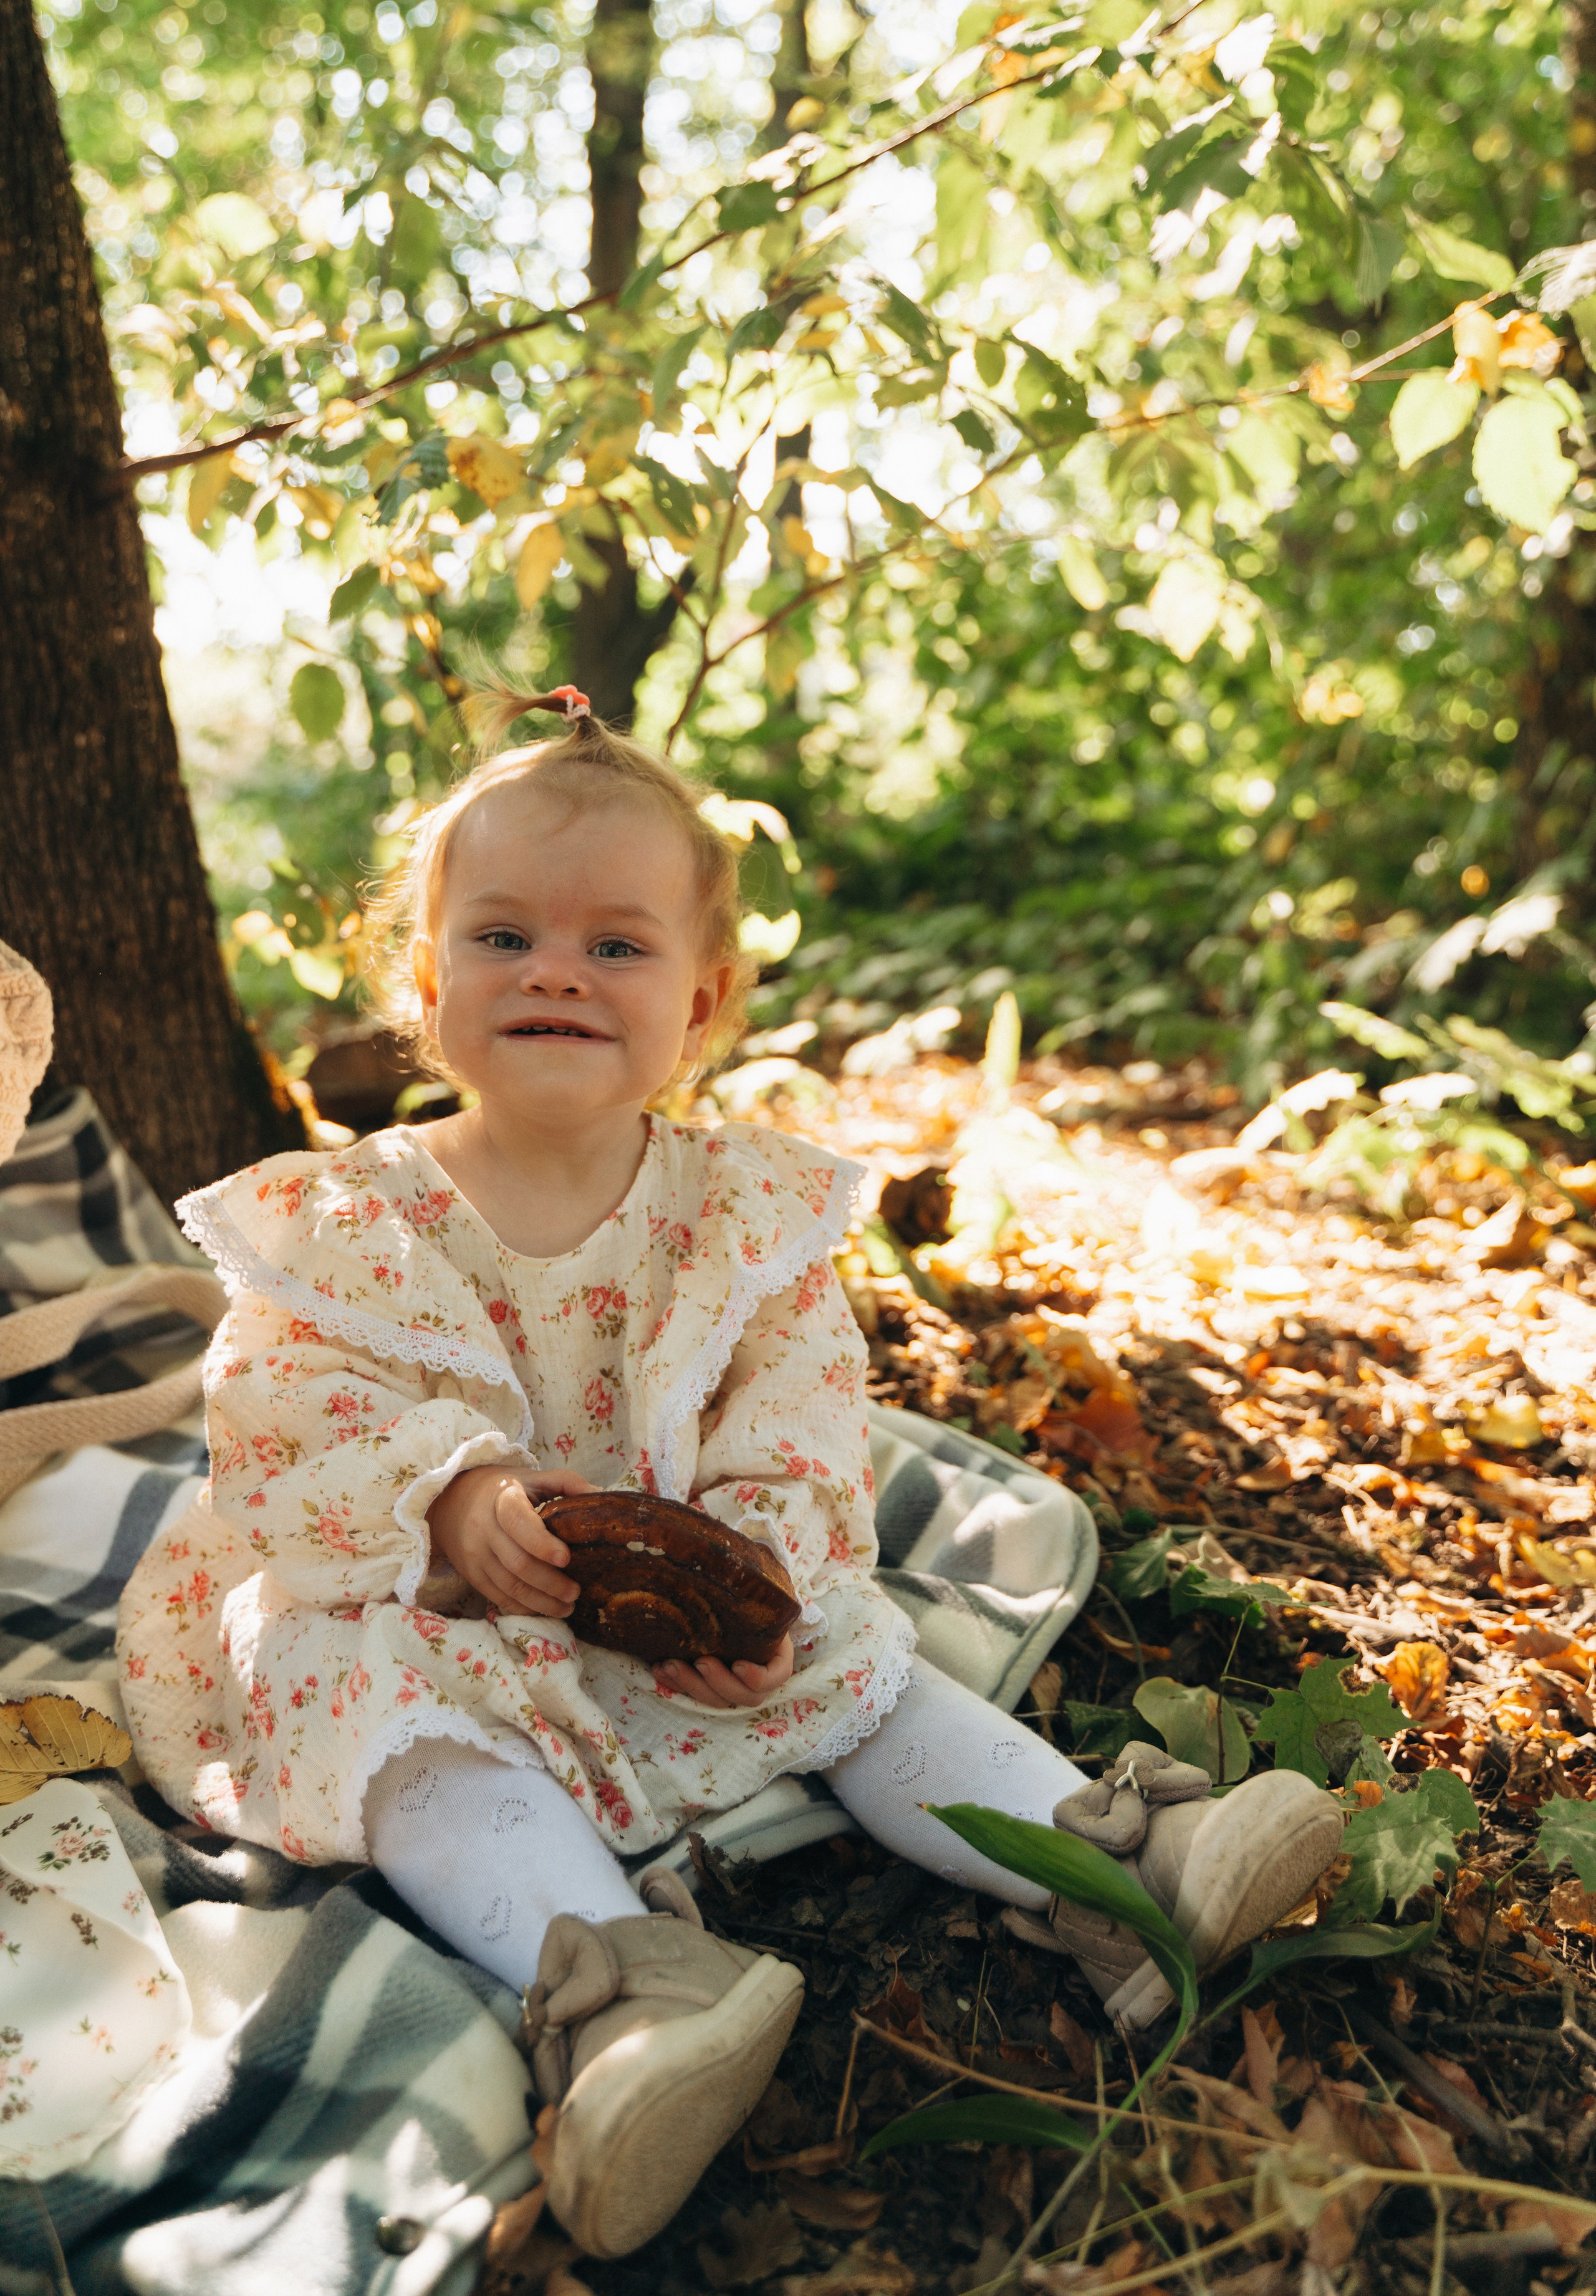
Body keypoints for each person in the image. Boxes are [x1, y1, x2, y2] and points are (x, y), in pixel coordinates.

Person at [117, 691, 1342, 2259]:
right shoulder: (350, 1222)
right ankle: (629, 1997)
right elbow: (282, 1414)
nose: (555, 967)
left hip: (666, 1605)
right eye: (501, 938)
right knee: (355, 1682)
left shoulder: (739, 1219)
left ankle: (1109, 1853)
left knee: (851, 1651)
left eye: (615, 946)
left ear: (697, 1010)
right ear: (427, 989)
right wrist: (450, 1505)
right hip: (414, 1590)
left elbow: (798, 1424)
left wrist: (760, 1568)